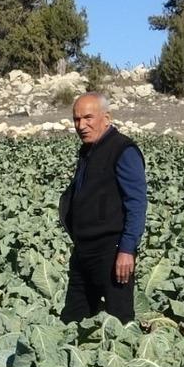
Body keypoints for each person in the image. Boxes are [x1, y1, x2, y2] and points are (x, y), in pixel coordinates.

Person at [58, 92, 147, 324]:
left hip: (112, 252)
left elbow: (136, 204)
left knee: (119, 322)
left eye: (88, 117)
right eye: (76, 119)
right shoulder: (88, 150)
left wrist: (127, 250)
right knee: (73, 319)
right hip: (84, 250)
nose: (81, 125)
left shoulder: (123, 150)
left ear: (106, 118)